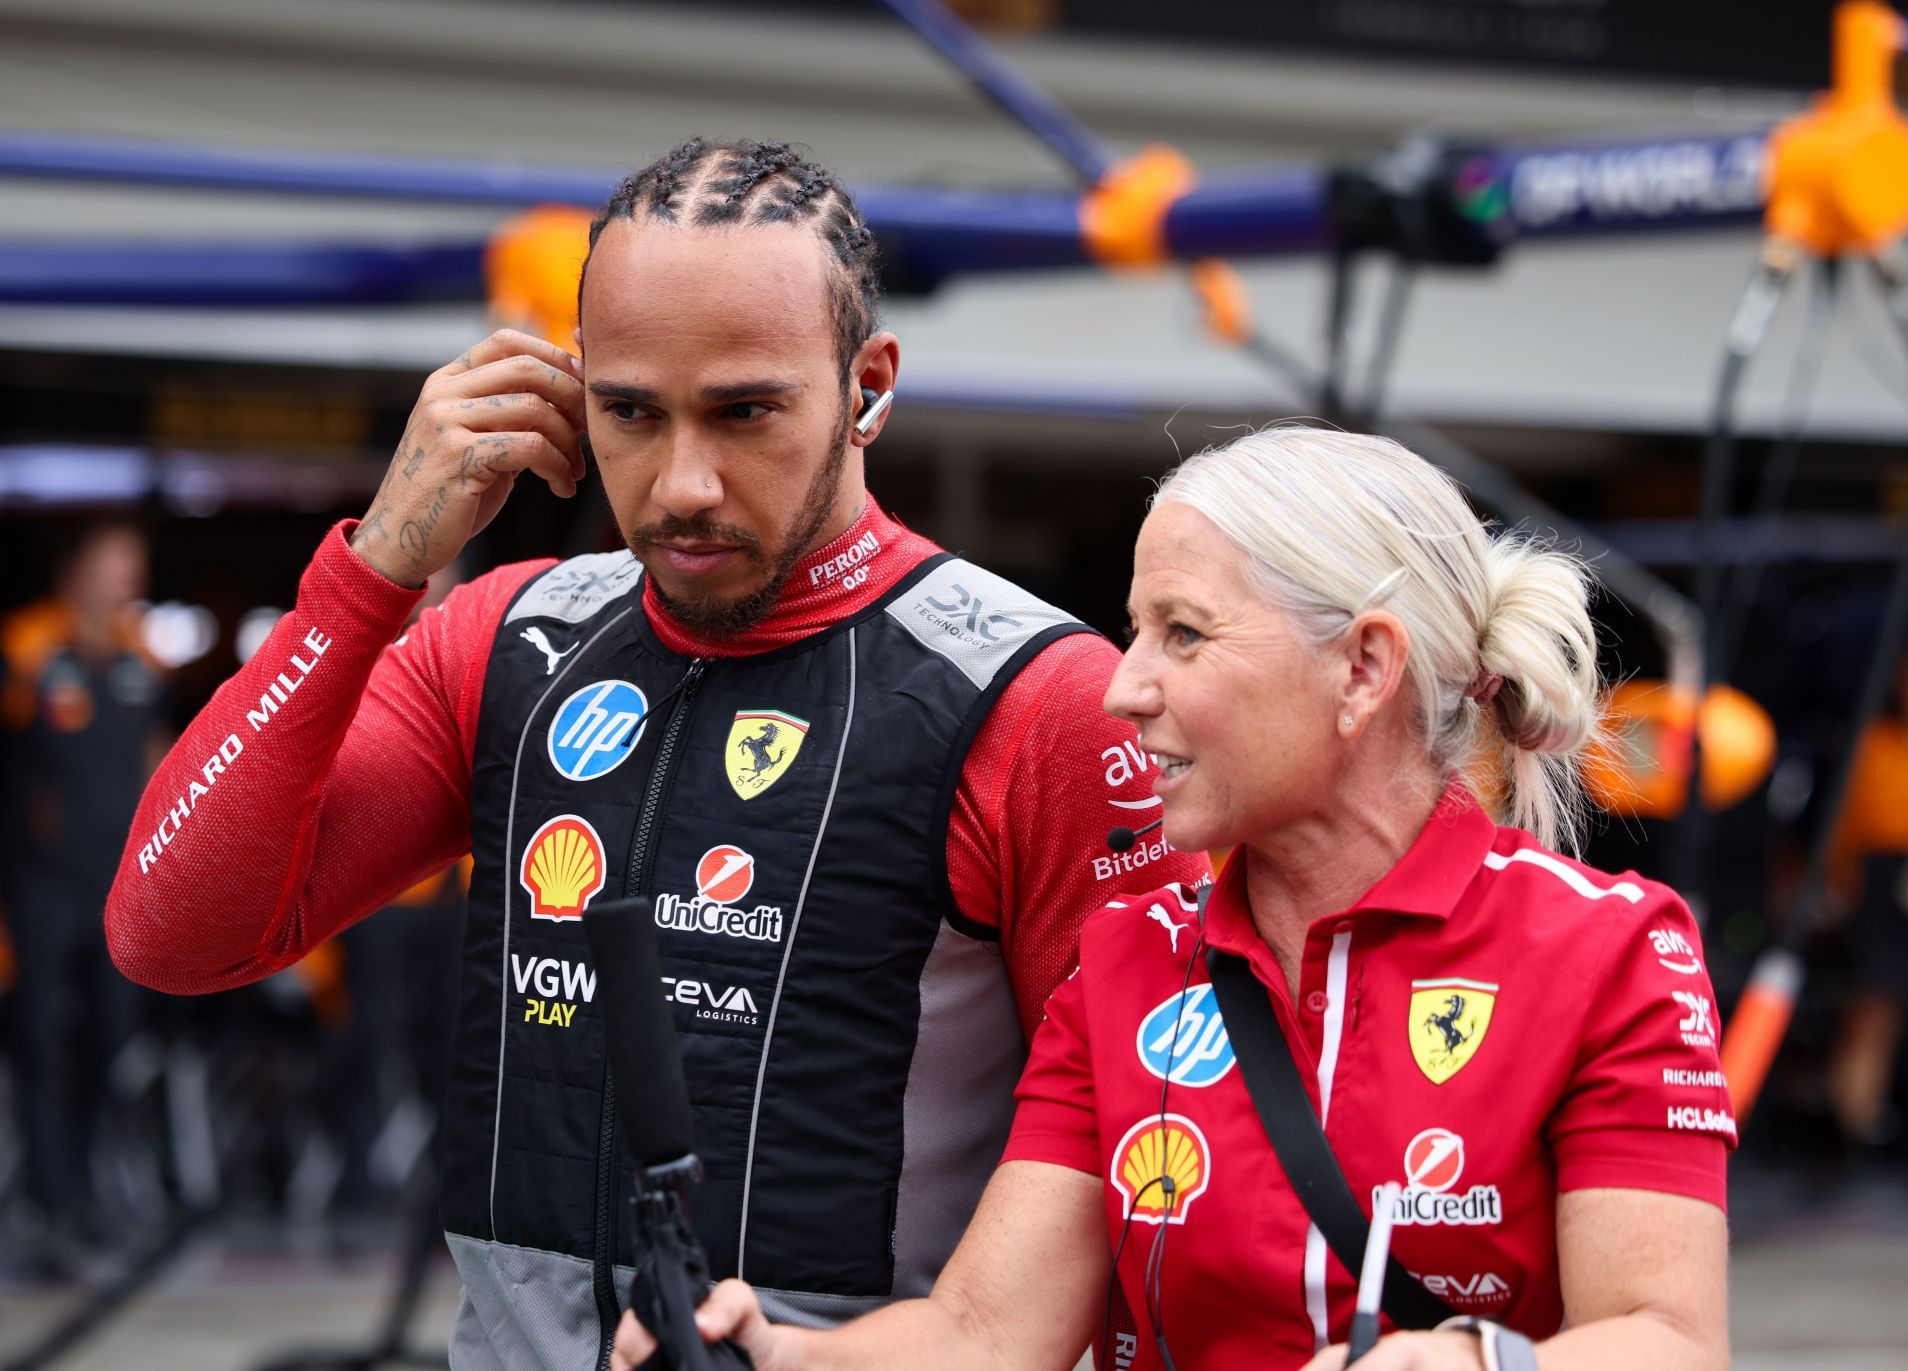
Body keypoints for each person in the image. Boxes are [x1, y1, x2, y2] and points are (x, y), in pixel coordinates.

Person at [104, 137, 1202, 1367]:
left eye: (745, 411)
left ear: (868, 387)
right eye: (629, 411)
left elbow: (1149, 1157)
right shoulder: (504, 640)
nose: (682, 483)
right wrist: (371, 578)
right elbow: (173, 934)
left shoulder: (1036, 694)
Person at [613, 427, 1735, 1371]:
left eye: (1182, 634)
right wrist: (769, 1349)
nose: (1122, 685)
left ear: (1362, 668)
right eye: (1137, 629)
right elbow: (985, 1337)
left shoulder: (1614, 950)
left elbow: (1671, 1340)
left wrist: (1474, 1359)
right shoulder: (1125, 961)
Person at [2, 521, 165, 1265]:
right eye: (113, 561)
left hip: (116, 891)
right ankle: (49, 1200)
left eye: (134, 562)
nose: (127, 575)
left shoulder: (144, 659)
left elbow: (162, 766)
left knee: (110, 1040)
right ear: (77, 567)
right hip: (38, 888)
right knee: (41, 1041)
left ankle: (90, 1193)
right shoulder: (28, 647)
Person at [1826, 636, 1908, 1150]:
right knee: (1873, 1012)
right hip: (1883, 891)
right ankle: (1858, 1136)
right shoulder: (1872, 746)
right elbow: (1843, 828)